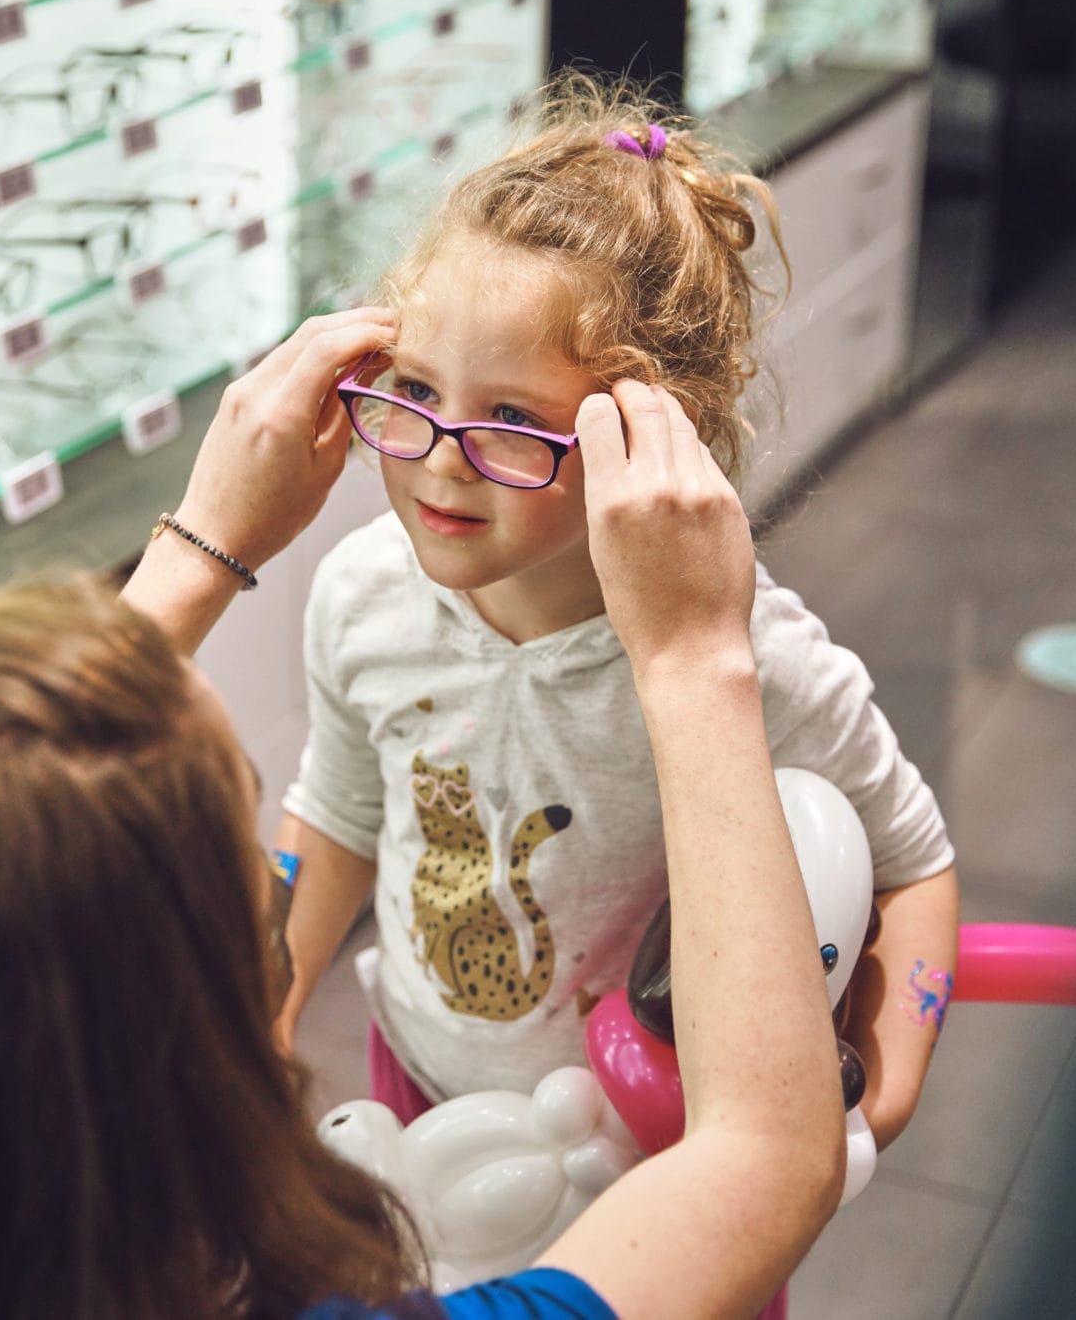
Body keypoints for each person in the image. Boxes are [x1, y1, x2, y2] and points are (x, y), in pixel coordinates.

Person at [0, 308, 845, 1318]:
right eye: (264, 915)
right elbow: (765, 1162)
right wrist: (689, 660)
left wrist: (198, 550)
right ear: (180, 1072)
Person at [273, 74, 960, 1151]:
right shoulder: (361, 593)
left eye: (510, 417)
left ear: (650, 432)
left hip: (650, 1145)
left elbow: (911, 862)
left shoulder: (746, 663)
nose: (440, 466)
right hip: (415, 1088)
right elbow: (339, 812)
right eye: (410, 390)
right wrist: (267, 1005)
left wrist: (886, 1086)